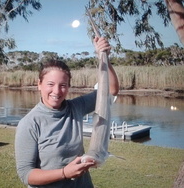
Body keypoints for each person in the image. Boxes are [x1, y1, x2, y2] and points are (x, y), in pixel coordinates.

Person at [15, 36, 119, 188]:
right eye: (50, 84)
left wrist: (104, 58)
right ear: (39, 84)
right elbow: (26, 174)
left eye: (63, 85)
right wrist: (64, 173)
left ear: (69, 86)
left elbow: (111, 90)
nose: (56, 91)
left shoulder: (76, 107)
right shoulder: (30, 123)